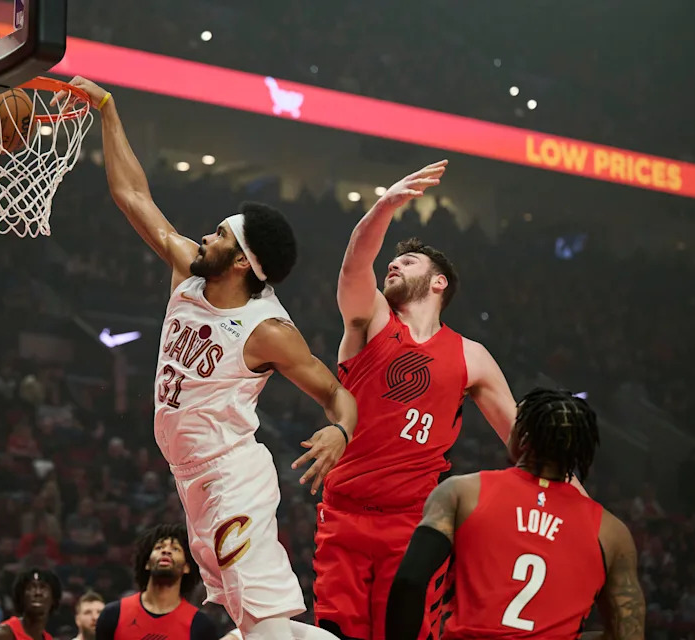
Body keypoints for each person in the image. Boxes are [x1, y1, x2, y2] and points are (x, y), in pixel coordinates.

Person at [61, 76, 358, 640]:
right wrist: (107, 109)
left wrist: (340, 433)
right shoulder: (187, 271)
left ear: (243, 262)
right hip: (190, 479)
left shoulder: (267, 330)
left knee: (262, 618)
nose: (205, 236)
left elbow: (336, 393)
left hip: (232, 474)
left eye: (220, 234)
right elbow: (132, 197)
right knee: (249, 626)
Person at [314, 163, 521, 640]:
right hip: (344, 514)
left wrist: (575, 495)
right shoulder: (370, 320)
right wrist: (384, 206)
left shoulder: (472, 356)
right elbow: (354, 265)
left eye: (407, 262)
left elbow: (523, 439)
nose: (394, 264)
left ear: (439, 282)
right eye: (393, 260)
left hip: (414, 523)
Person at [386, 388, 646, 639]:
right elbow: (628, 633)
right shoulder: (611, 533)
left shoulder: (462, 492)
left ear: (523, 435)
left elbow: (409, 581)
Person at [96, 524, 216, 640]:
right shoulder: (113, 614)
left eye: (175, 549)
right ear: (147, 564)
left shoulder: (201, 625)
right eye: (159, 547)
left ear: (186, 567)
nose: (166, 551)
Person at [0, 569, 61, 640]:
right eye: (30, 588)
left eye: (43, 587)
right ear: (21, 597)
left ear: (54, 598)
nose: (37, 593)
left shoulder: (48, 638)